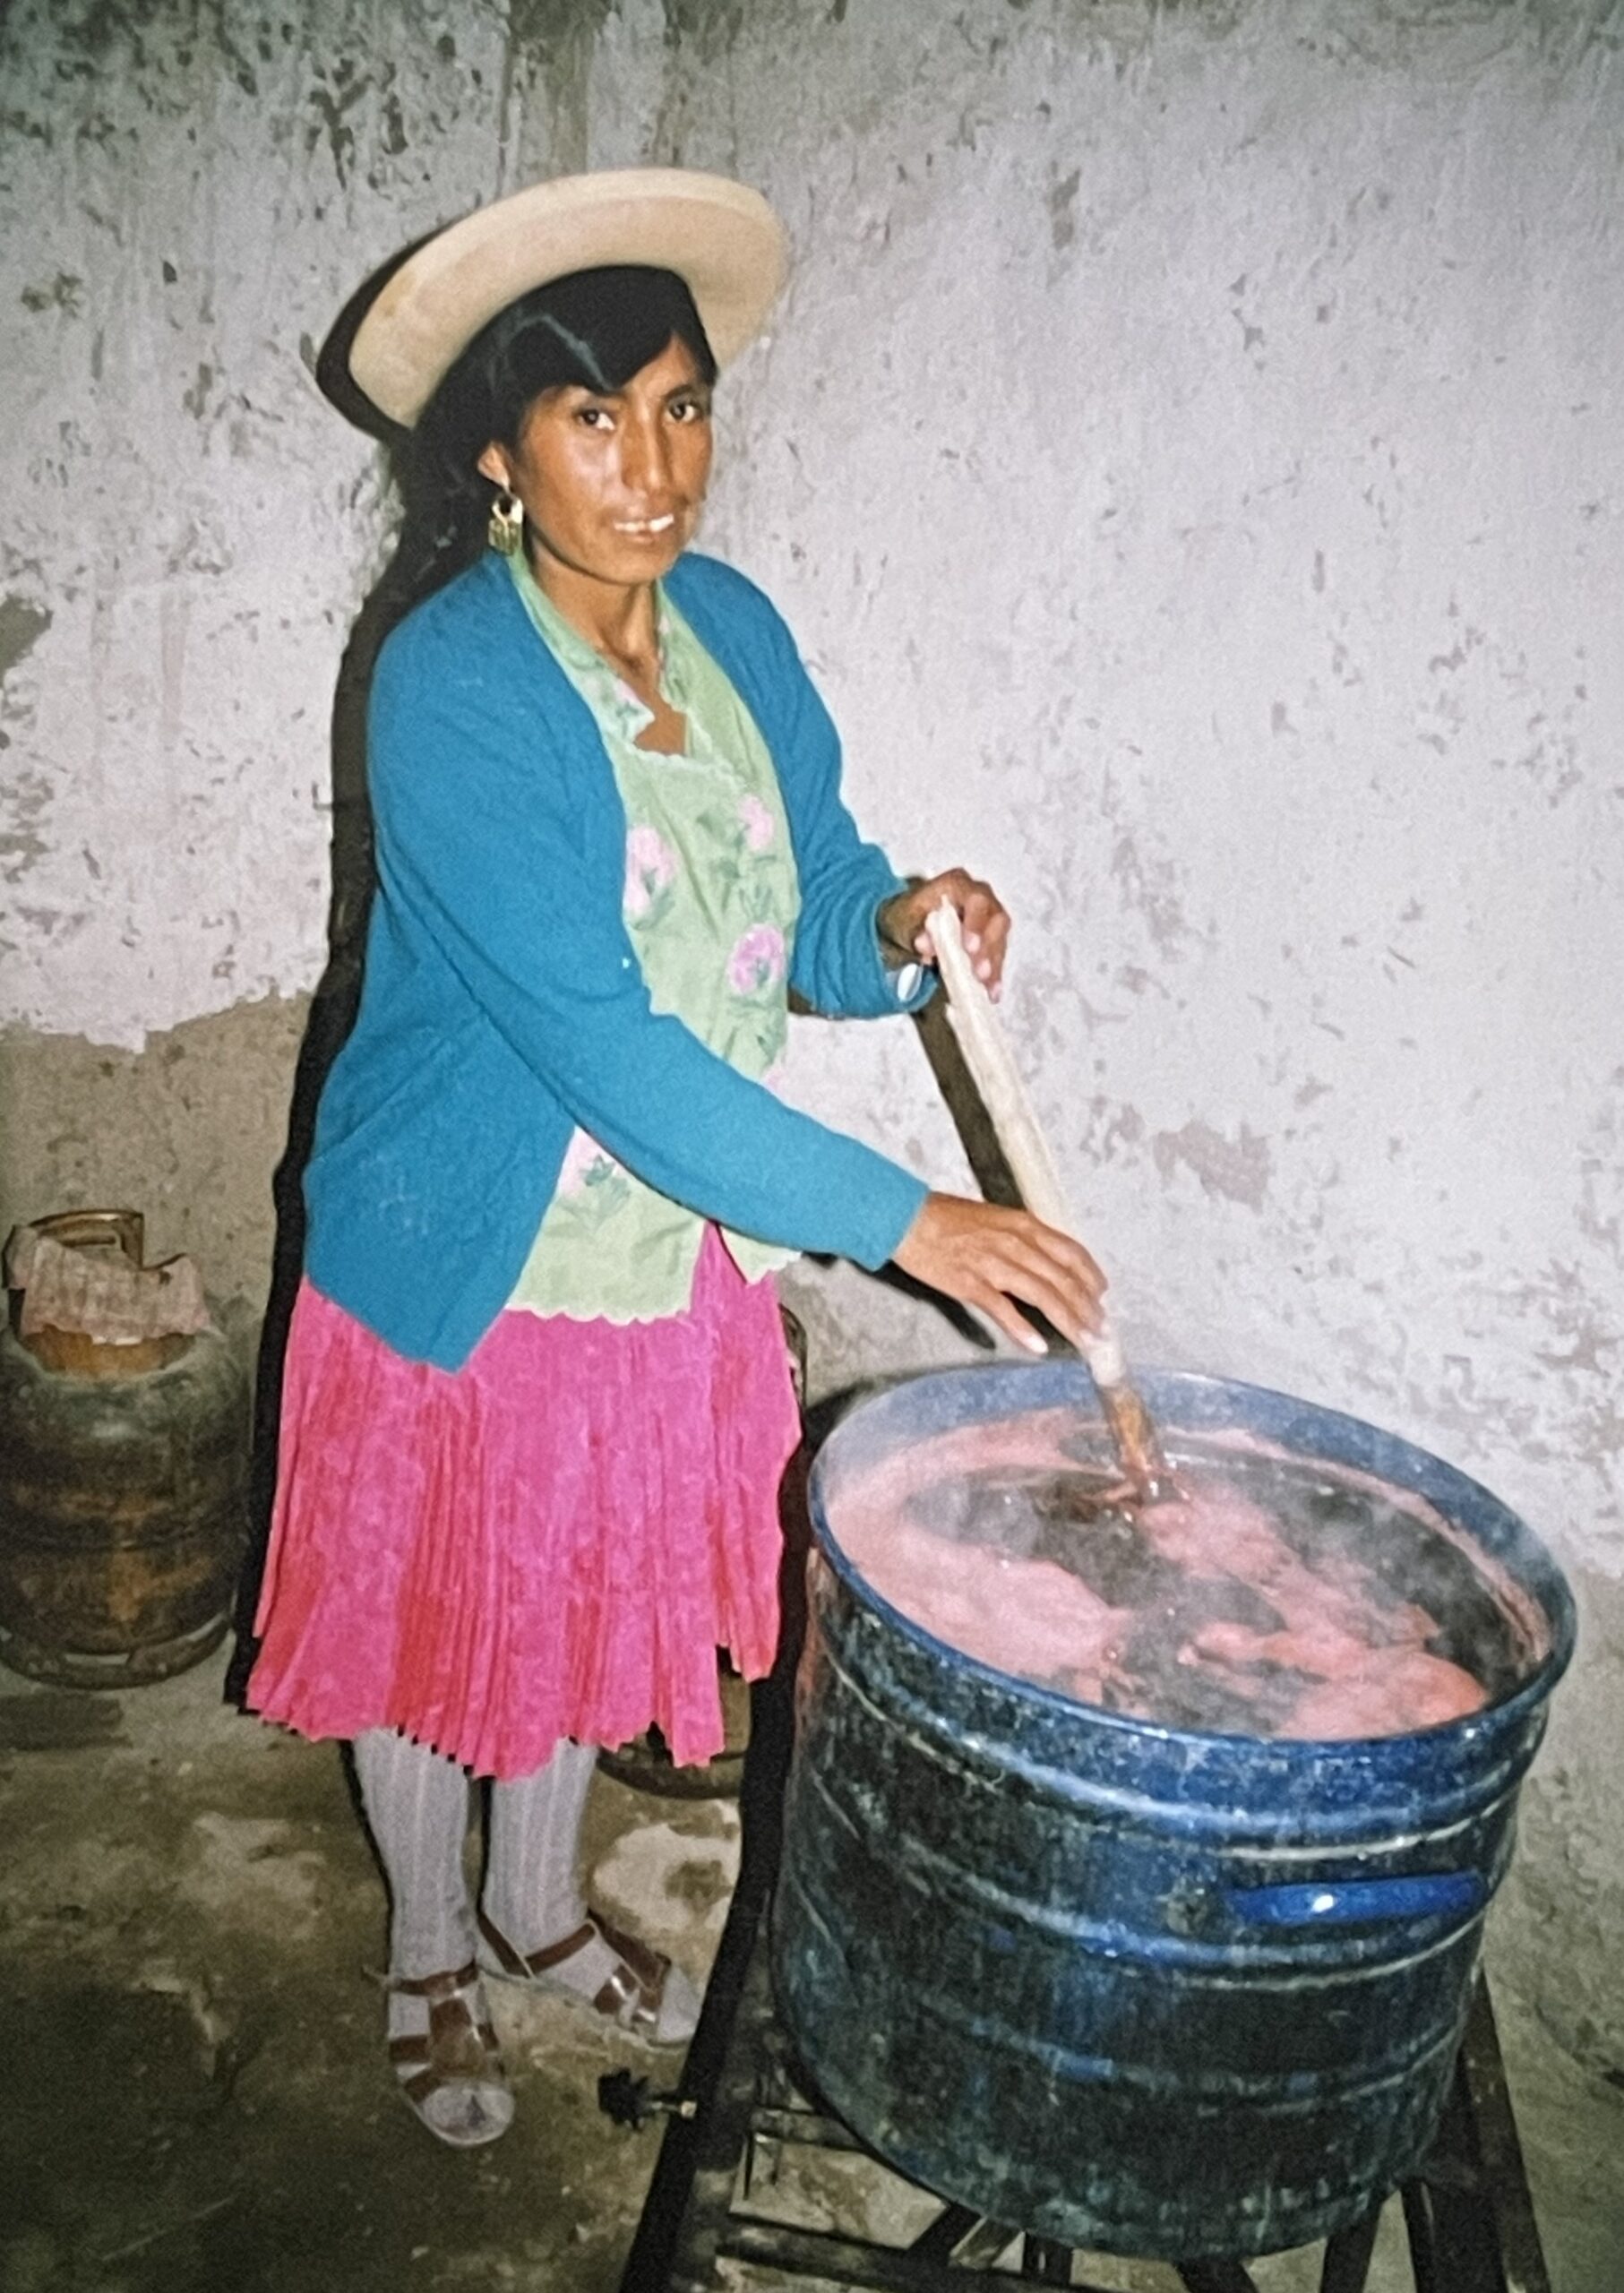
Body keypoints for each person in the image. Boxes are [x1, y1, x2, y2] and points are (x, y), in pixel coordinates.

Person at [246, 167, 1105, 2148]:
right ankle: (429, 1947)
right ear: (496, 448)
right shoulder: (453, 686)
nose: (653, 470)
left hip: (662, 1256)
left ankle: (538, 1910)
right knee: (437, 1616)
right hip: (467, 1252)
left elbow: (808, 904)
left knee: (565, 1597)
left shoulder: (729, 630)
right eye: (594, 417)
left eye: (681, 406)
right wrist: (906, 1220)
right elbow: (609, 1051)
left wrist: (900, 928)